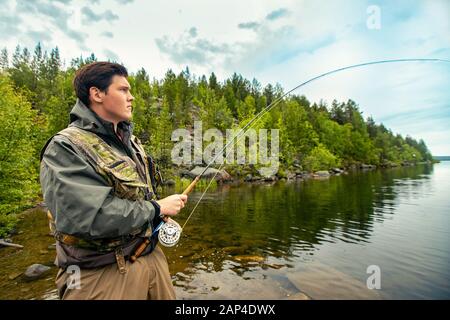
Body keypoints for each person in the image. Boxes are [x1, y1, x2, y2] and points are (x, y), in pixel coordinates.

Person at [39, 61, 187, 300]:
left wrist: (157, 210)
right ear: (96, 94)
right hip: (99, 274)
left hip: (151, 260)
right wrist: (156, 208)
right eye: (123, 90)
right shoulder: (65, 147)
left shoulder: (130, 143)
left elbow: (137, 198)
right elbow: (88, 217)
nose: (132, 97)